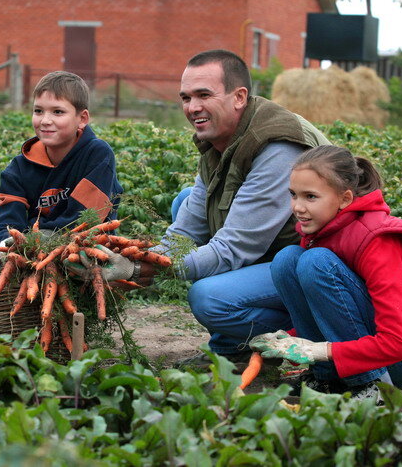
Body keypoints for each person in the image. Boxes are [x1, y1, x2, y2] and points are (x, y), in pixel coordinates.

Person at [81, 49, 331, 367]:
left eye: (203, 95)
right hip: (273, 250)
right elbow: (186, 228)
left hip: (313, 268)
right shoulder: (221, 137)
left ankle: (283, 341)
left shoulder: (277, 147)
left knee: (209, 298)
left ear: (239, 96)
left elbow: (233, 248)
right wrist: (136, 260)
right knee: (184, 200)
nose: (192, 107)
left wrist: (141, 270)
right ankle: (233, 345)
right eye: (186, 97)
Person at [249, 145, 402, 401]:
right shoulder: (321, 228)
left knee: (315, 262)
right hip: (362, 347)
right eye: (293, 195)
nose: (297, 207)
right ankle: (325, 378)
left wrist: (319, 350)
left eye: (310, 197)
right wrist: (288, 339)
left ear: (345, 199)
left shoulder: (378, 238)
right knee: (287, 259)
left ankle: (370, 386)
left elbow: (396, 343)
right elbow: (339, 309)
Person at [0, 70, 123, 289]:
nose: (45, 120)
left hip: (81, 263)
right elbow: (5, 223)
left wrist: (35, 239)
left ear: (82, 119)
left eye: (58, 112)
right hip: (25, 262)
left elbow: (85, 222)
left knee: (77, 278)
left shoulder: (97, 155)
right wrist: (8, 248)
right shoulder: (19, 168)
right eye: (38, 111)